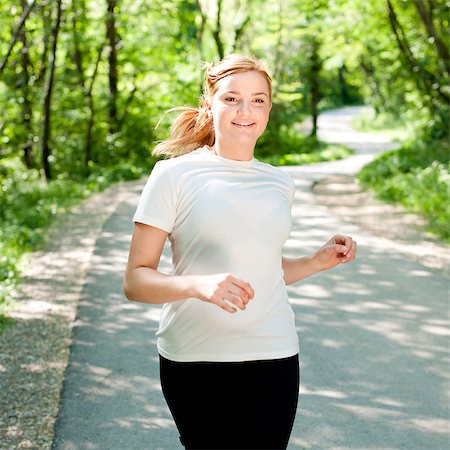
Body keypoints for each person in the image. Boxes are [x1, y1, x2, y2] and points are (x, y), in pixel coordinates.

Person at [123, 54, 357, 450]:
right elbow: (135, 280)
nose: (245, 110)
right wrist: (197, 285)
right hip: (196, 356)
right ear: (208, 105)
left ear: (269, 108)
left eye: (258, 100)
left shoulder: (279, 181)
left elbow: (264, 270)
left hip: (275, 351)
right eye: (232, 99)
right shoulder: (174, 175)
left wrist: (316, 262)